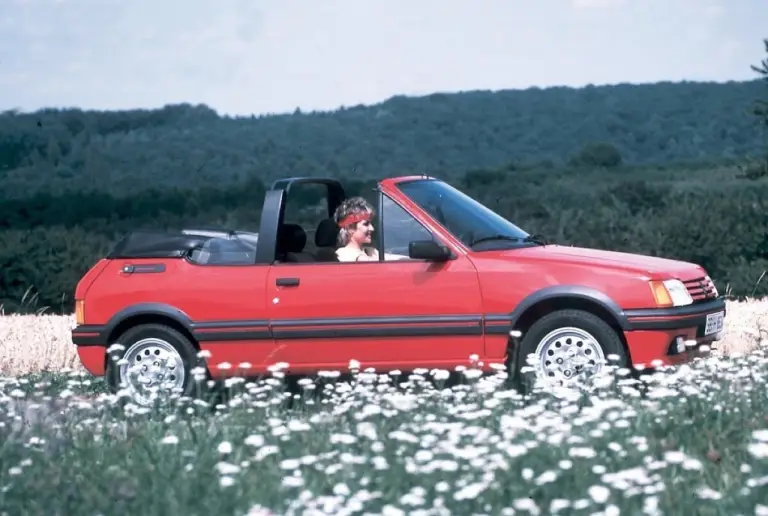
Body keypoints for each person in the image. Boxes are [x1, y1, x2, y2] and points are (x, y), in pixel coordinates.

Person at [333, 196, 408, 262]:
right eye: (366, 224)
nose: (372, 228)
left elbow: (394, 258)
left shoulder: (369, 251)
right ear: (350, 228)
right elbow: (368, 263)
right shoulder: (344, 253)